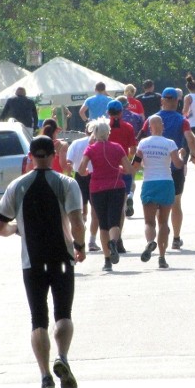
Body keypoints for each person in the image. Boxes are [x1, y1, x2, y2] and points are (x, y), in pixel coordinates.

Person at [0, 135, 87, 388]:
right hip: (62, 258)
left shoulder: (17, 186)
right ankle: (63, 357)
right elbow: (77, 221)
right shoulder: (66, 183)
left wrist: (16, 229)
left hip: (31, 261)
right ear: (54, 153)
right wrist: (79, 245)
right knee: (64, 314)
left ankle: (45, 376)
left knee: (38, 319)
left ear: (31, 155)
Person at [138, 88, 195, 251]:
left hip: (153, 169)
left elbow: (141, 138)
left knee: (156, 206)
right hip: (175, 167)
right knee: (176, 203)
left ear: (162, 101)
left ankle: (159, 234)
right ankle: (176, 238)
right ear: (177, 101)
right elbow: (190, 138)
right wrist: (194, 154)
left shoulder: (152, 119)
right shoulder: (182, 119)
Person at [77, 120, 135, 272]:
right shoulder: (117, 148)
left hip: (97, 188)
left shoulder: (90, 149)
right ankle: (114, 242)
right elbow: (129, 169)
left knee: (103, 224)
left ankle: (107, 261)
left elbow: (81, 170)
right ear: (108, 133)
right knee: (114, 221)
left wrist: (88, 172)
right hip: (116, 187)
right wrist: (120, 168)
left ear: (94, 133)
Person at [131, 115, 186, 269]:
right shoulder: (170, 143)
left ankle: (150, 242)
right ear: (162, 126)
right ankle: (162, 257)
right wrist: (182, 155)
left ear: (149, 127)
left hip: (149, 182)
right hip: (166, 182)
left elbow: (135, 165)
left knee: (149, 222)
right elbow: (178, 164)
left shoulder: (143, 143)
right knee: (163, 223)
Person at [107, 99, 137, 247]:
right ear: (122, 112)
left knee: (105, 205)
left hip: (106, 169)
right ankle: (118, 239)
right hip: (123, 170)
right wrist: (127, 160)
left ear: (108, 113)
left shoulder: (103, 128)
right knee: (120, 206)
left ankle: (108, 237)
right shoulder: (128, 127)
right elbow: (132, 150)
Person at [65, 123, 100, 252]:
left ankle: (82, 232)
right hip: (95, 176)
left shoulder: (76, 143)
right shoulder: (99, 144)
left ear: (85, 131)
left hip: (79, 177)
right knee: (95, 211)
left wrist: (68, 175)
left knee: (80, 209)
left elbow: (69, 163)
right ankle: (92, 240)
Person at [115, 95, 144, 216]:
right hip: (131, 152)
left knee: (117, 180)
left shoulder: (110, 120)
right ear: (127, 105)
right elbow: (142, 133)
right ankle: (130, 196)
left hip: (115, 154)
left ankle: (120, 204)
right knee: (131, 177)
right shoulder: (136, 117)